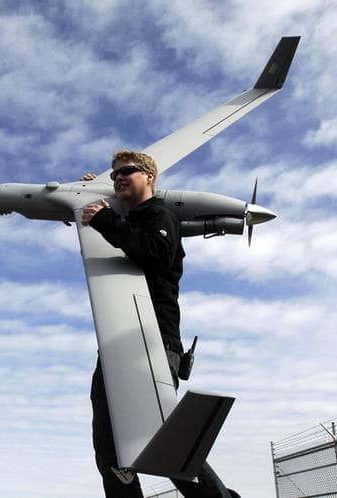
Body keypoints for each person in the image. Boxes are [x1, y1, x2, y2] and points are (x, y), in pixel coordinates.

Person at [80, 150, 239, 498]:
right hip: (118, 343)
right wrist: (101, 194)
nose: (118, 177)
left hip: (151, 341)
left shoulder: (159, 214)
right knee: (112, 448)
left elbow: (156, 252)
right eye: (114, 173)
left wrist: (106, 219)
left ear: (150, 176)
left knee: (162, 441)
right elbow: (126, 224)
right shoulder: (130, 216)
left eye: (128, 171)